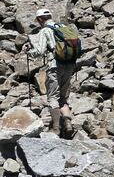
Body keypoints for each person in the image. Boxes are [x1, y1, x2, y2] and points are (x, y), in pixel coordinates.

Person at [22, 9, 76, 138]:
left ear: (40, 19)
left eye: (38, 21)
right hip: (69, 65)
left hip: (54, 66)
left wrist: (28, 52)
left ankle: (56, 128)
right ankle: (68, 123)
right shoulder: (64, 27)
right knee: (63, 97)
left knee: (53, 97)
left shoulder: (45, 30)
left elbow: (40, 51)